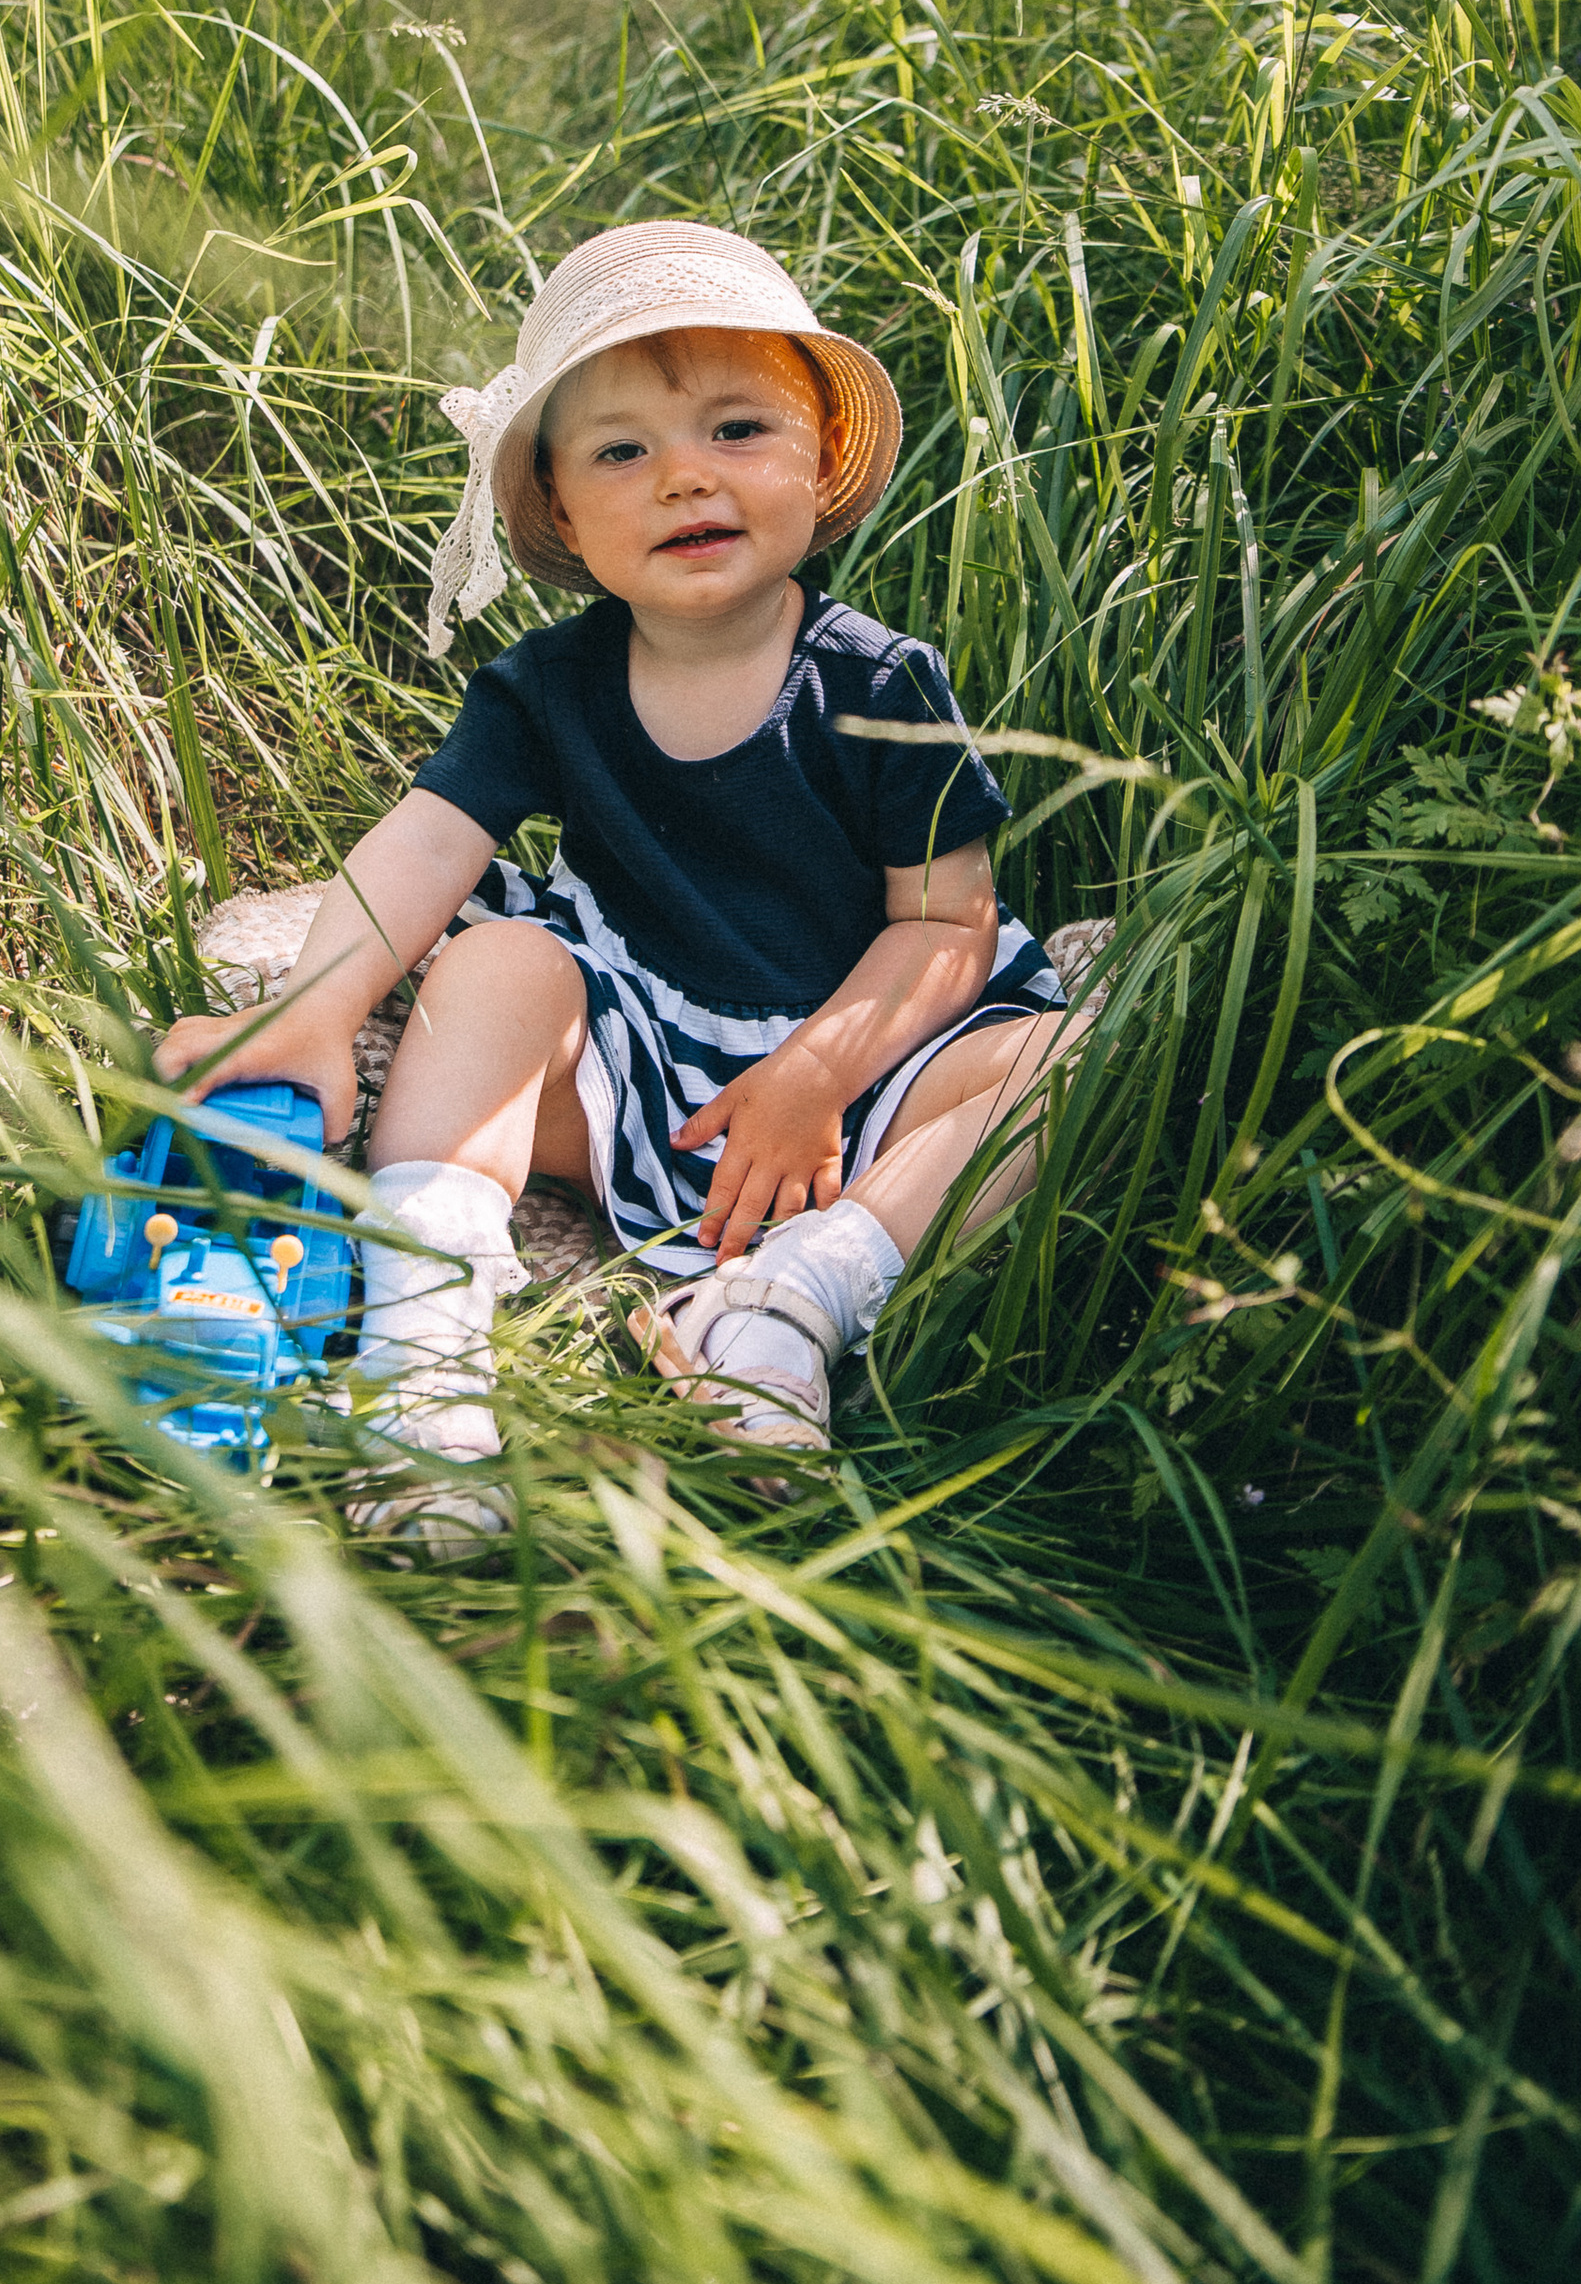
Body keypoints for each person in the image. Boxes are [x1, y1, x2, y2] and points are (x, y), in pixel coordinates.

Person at [154, 221, 1087, 1545]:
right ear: (561, 517)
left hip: (859, 1075)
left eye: (736, 431)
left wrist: (822, 1070)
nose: (682, 479)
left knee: (1068, 1056)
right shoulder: (551, 689)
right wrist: (311, 1008)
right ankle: (422, 1356)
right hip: (638, 1063)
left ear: (820, 461)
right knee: (489, 969)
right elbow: (425, 845)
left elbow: (946, 924)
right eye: (622, 451)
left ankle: (787, 1303)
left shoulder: (880, 684)